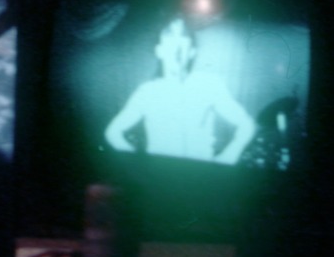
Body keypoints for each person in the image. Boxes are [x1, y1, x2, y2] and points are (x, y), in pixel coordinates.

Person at [103, 17, 257, 164]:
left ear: (192, 52)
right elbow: (112, 133)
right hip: (160, 177)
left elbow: (247, 125)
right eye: (170, 38)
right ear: (159, 50)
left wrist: (229, 156)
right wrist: (138, 164)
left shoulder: (209, 85)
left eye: (182, 39)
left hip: (200, 177)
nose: (176, 48)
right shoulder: (147, 92)